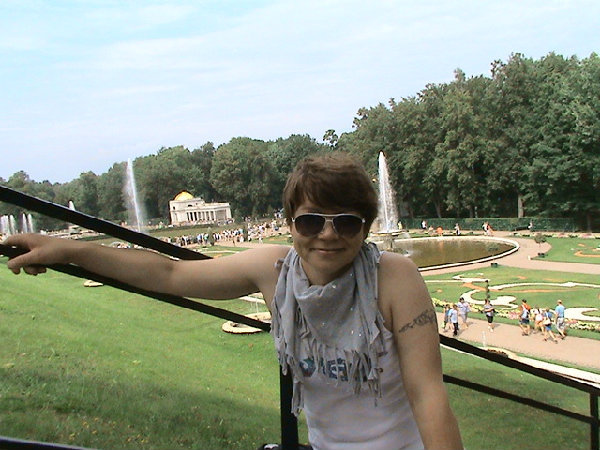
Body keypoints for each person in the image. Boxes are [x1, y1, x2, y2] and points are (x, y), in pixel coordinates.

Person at [4, 152, 463, 450]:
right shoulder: (273, 270)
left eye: (346, 222)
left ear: (366, 226)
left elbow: (427, 394)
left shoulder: (395, 277)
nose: (328, 234)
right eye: (311, 221)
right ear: (289, 222)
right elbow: (169, 273)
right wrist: (69, 250)